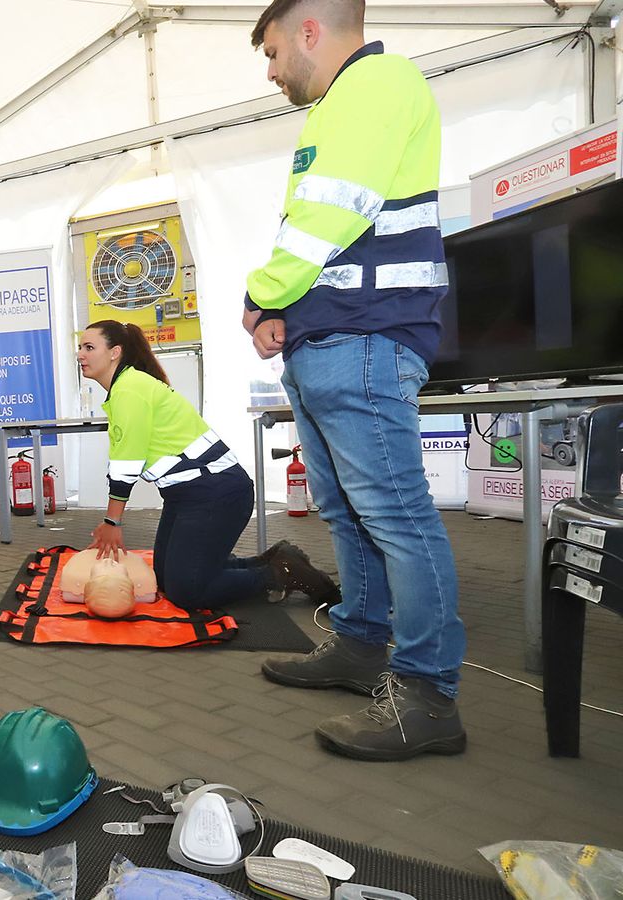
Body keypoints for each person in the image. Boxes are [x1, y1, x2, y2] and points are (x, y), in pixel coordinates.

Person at [243, 0, 466, 761]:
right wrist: (288, 312)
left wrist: (265, 292)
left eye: (273, 52)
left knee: (397, 517)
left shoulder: (377, 86)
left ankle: (430, 696)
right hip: (330, 336)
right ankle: (362, 647)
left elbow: (330, 219)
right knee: (346, 512)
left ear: (310, 30)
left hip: (365, 338)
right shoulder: (341, 108)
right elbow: (332, 233)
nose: (272, 72)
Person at [77, 320, 334, 611]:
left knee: (187, 592)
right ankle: (274, 559)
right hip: (188, 495)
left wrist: (112, 522)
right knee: (165, 577)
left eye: (89, 347)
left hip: (214, 493)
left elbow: (126, 465)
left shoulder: (129, 389)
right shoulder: (129, 386)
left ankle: (280, 573)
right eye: (79, 348)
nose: (80, 355)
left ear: (115, 353)